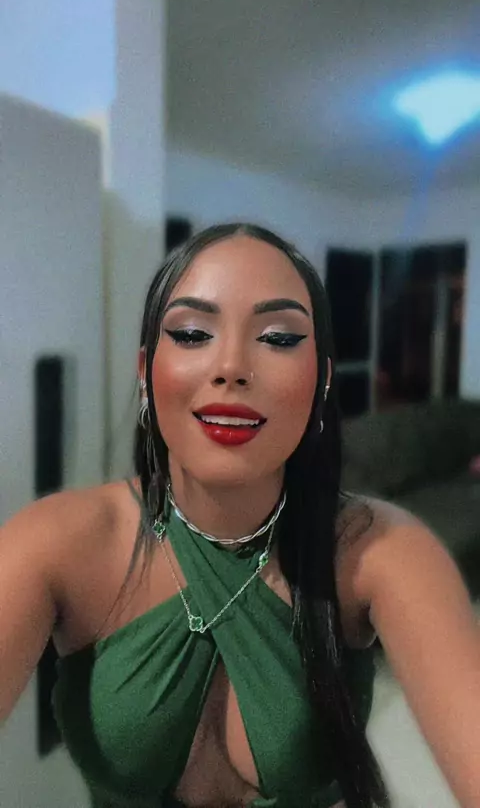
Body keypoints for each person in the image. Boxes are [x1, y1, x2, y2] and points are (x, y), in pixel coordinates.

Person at [1, 223, 479, 808]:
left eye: (278, 338)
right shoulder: (58, 542)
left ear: (323, 379)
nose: (231, 366)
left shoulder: (377, 548)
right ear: (146, 370)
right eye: (192, 333)